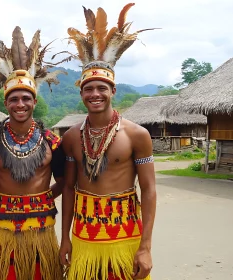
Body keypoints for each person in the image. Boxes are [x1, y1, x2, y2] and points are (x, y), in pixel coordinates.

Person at [58, 4, 158, 280]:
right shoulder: (71, 137)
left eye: (102, 88)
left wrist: (145, 247)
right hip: (84, 237)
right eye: (88, 89)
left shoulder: (137, 135)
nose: (95, 94)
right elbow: (68, 188)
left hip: (125, 236)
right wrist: (65, 238)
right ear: (81, 94)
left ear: (113, 90)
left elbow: (149, 191)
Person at [0, 26, 67, 280]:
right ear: (6, 103)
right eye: (14, 99)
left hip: (42, 232)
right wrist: (4, 202)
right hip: (3, 233)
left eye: (26, 98)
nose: (20, 104)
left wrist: (41, 199)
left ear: (35, 101)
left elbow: (65, 182)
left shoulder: (53, 143)